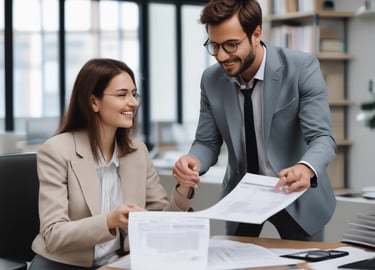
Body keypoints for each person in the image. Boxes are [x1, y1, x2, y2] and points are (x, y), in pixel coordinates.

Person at [173, 0, 336, 241]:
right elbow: (207, 142)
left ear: (256, 34)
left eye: (231, 45)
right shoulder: (211, 79)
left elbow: (322, 138)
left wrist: (306, 168)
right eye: (214, 45)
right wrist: (193, 160)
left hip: (295, 195)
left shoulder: (301, 67)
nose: (221, 56)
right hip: (242, 198)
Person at [29, 58, 194, 270]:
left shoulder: (137, 152)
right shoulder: (56, 150)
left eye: (134, 94)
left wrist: (184, 188)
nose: (133, 102)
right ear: (93, 102)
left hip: (119, 264)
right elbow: (54, 234)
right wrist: (109, 221)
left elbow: (159, 222)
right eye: (121, 95)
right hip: (63, 264)